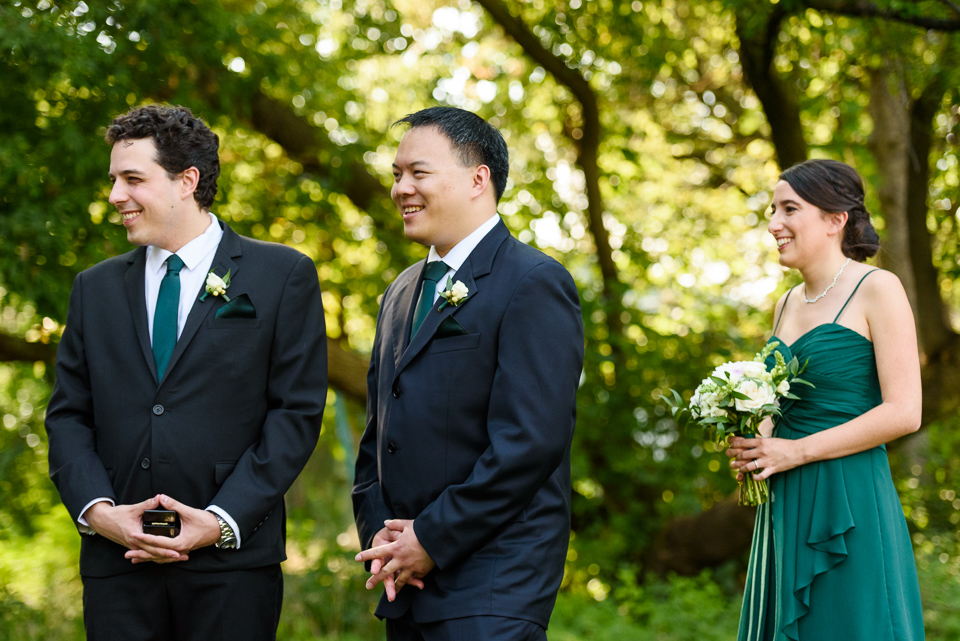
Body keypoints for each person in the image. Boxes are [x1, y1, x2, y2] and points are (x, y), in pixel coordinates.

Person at [45, 104, 327, 641]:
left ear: (187, 181)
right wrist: (100, 513)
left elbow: (295, 415)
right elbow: (67, 417)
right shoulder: (94, 288)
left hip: (232, 569)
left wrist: (221, 521)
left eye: (133, 179)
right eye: (114, 180)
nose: (115, 197)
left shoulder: (282, 274)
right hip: (117, 567)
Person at [352, 107, 584, 641]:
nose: (401, 188)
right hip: (404, 581)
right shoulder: (400, 293)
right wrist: (383, 543)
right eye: (395, 175)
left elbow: (530, 441)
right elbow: (376, 437)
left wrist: (430, 538)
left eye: (418, 173)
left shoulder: (534, 282)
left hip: (494, 582)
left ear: (479, 178)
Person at [727, 159, 924, 640]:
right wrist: (756, 443)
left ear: (836, 220)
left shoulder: (877, 288)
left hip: (849, 495)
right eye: (773, 209)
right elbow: (777, 405)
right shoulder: (786, 303)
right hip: (786, 500)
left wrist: (795, 451)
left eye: (789, 209)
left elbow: (905, 412)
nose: (774, 223)